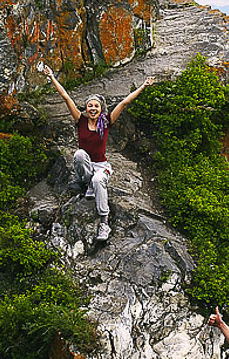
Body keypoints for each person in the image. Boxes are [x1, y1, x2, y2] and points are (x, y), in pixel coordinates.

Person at [44, 65, 155, 241]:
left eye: (96, 106)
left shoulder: (107, 121)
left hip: (101, 166)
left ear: (100, 108)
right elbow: (65, 97)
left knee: (98, 180)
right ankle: (88, 184)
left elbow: (124, 102)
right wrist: (51, 77)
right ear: (86, 109)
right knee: (79, 154)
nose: (93, 108)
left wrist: (143, 86)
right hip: (86, 168)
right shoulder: (80, 120)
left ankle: (104, 222)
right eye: (90, 106)